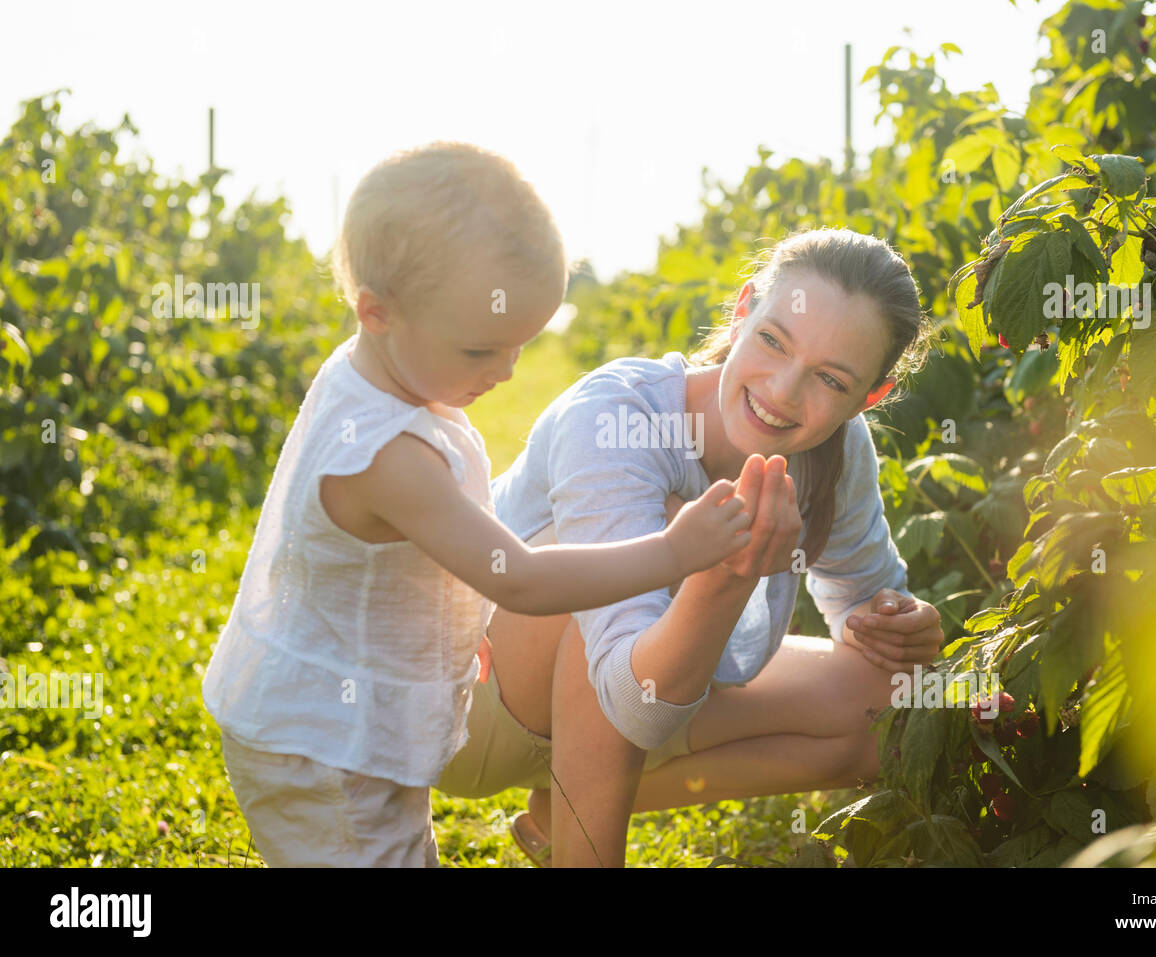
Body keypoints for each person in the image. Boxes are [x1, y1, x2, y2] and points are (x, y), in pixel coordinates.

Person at [200, 142, 754, 867]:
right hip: (321, 750)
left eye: (523, 344)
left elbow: (415, 559)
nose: (506, 370)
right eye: (480, 351)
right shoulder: (387, 454)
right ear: (378, 311)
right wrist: (674, 552)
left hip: (351, 723)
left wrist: (457, 622)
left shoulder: (383, 372)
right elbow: (517, 576)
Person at [435, 227, 946, 867]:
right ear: (741, 312)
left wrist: (898, 623)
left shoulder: (837, 452)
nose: (783, 392)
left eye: (831, 381)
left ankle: (557, 819)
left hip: (642, 690)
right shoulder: (619, 416)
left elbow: (863, 602)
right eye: (772, 340)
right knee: (654, 540)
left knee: (900, 704)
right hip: (469, 704)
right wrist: (722, 574)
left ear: (870, 396)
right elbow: (632, 705)